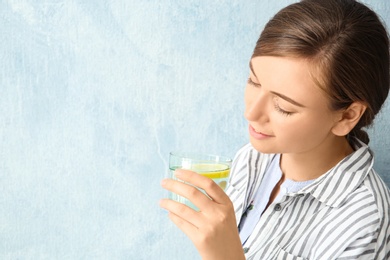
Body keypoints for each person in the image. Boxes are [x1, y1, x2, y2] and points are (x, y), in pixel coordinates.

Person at [160, 0, 390, 259]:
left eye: (283, 107)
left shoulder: (362, 222)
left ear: (347, 116)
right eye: (254, 81)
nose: (251, 114)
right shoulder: (253, 157)